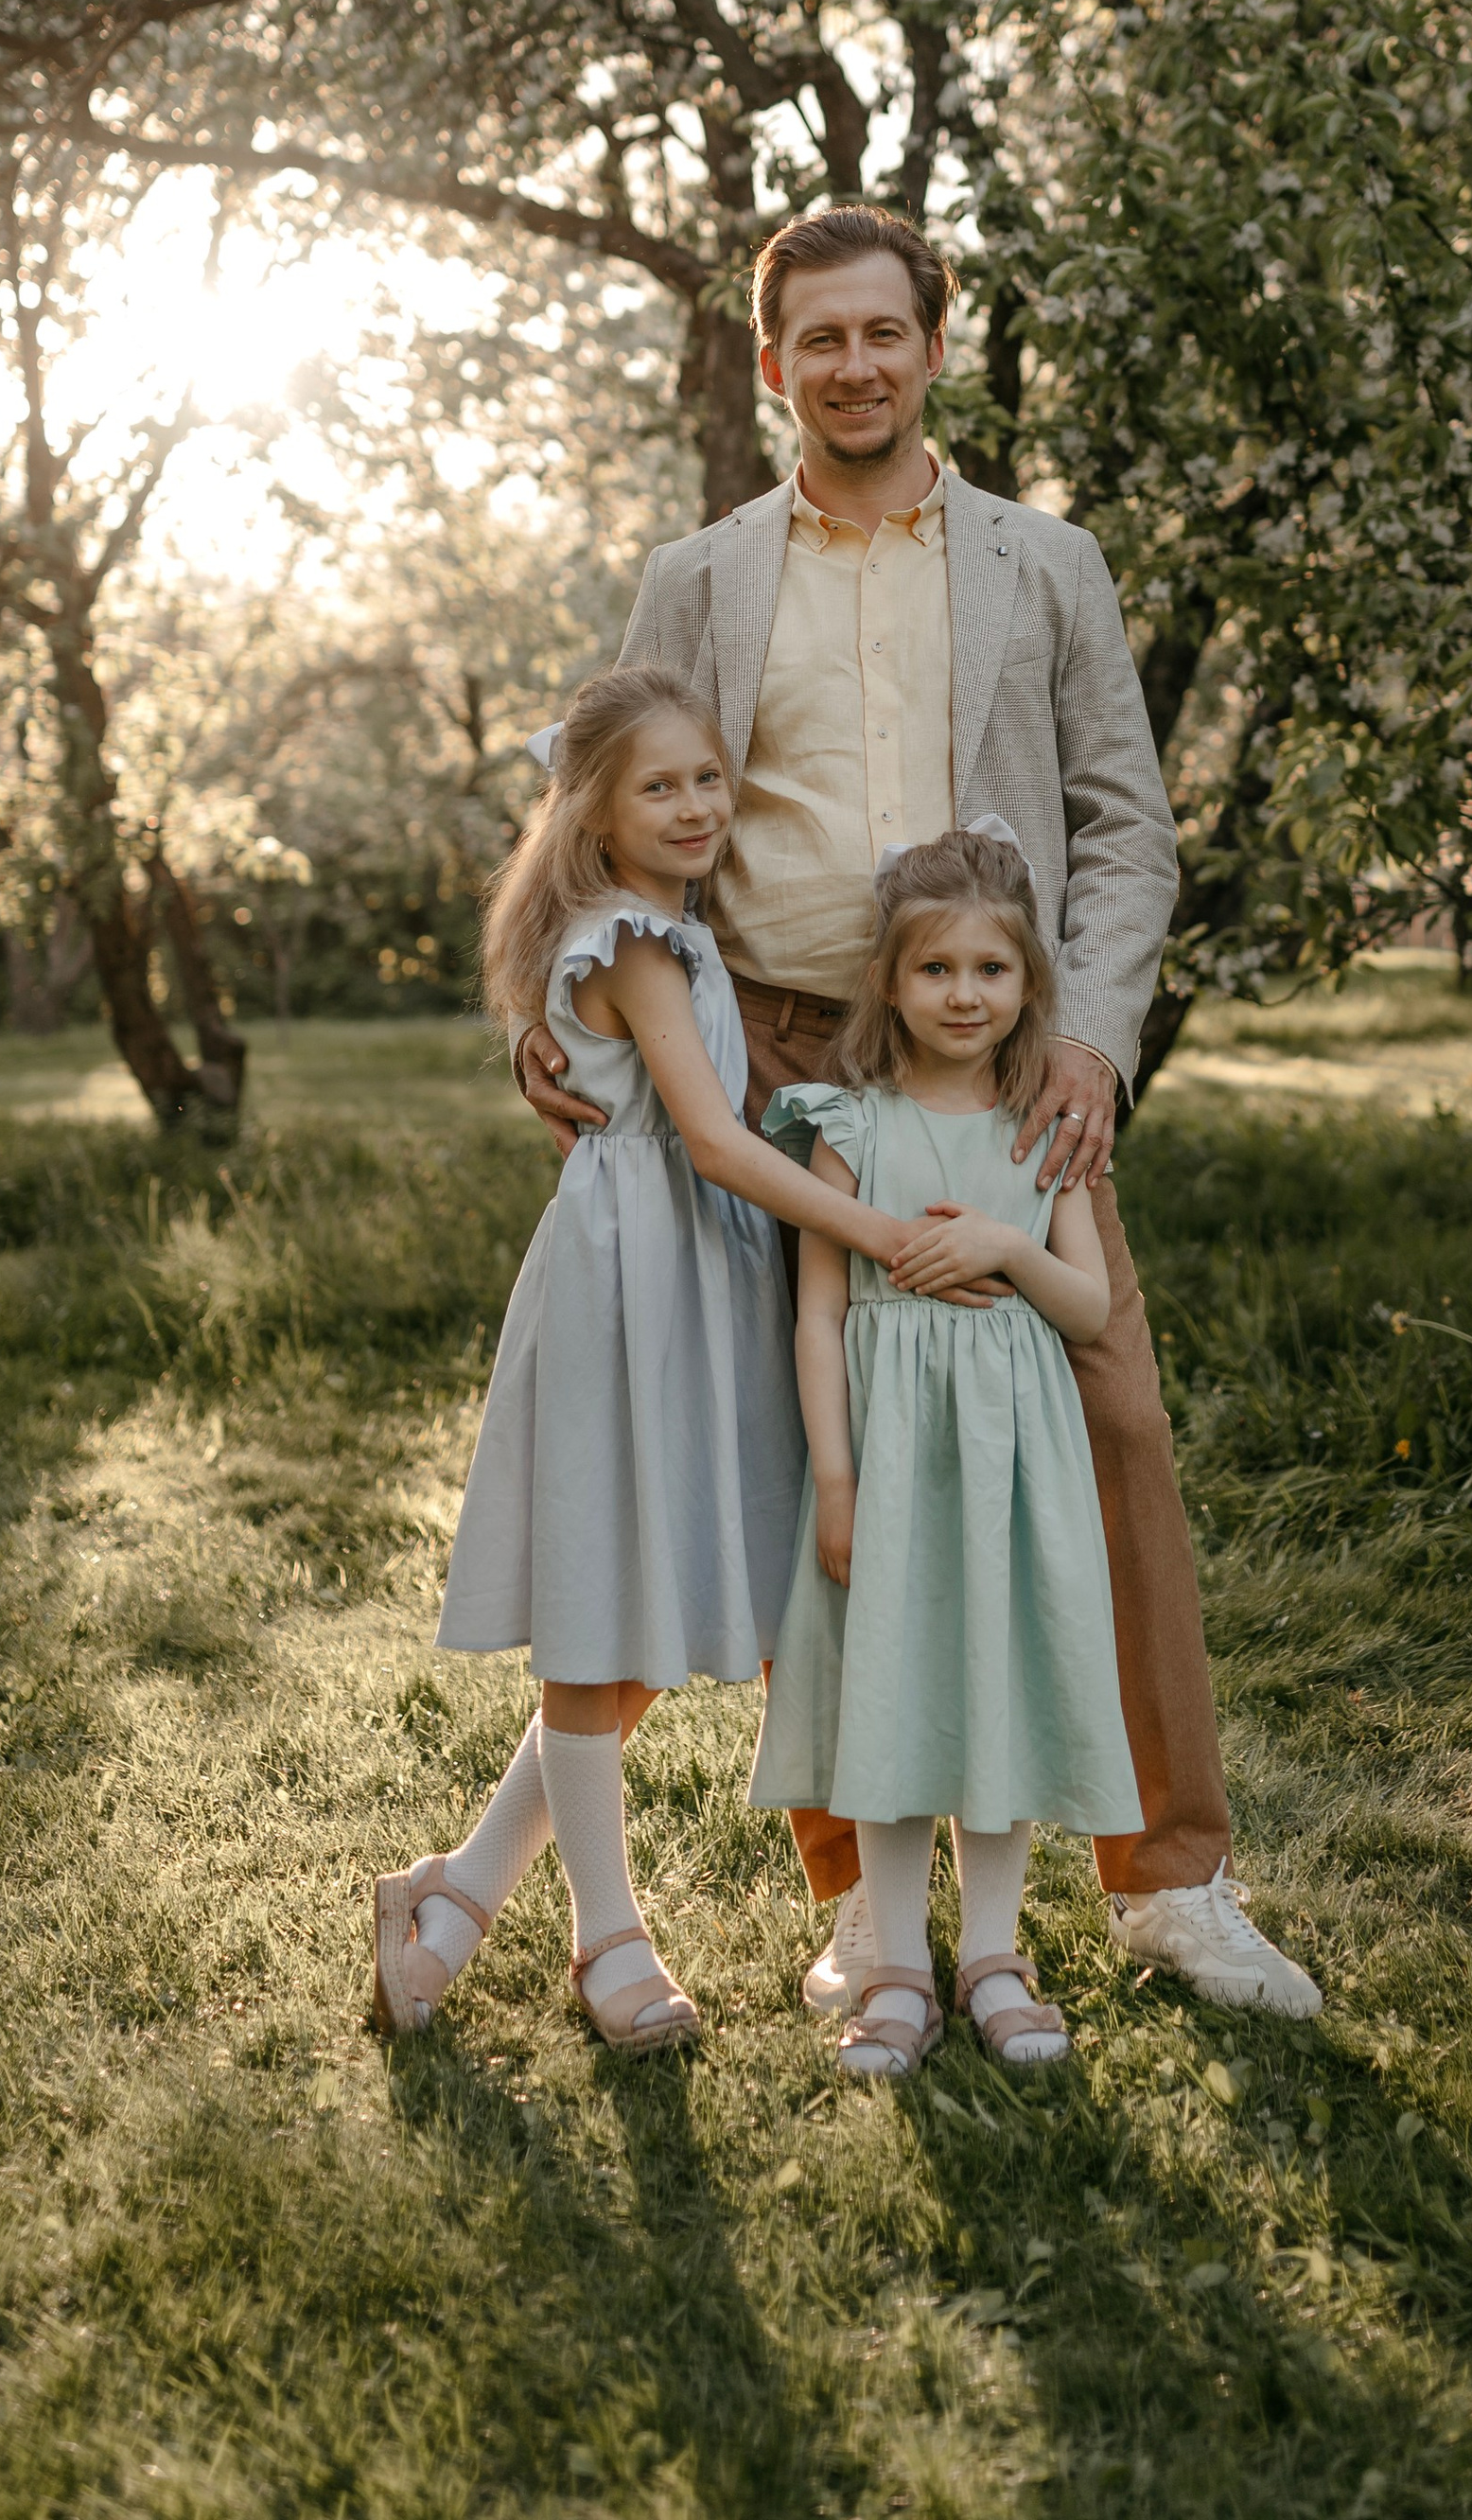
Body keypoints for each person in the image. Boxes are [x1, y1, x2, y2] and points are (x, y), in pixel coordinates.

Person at [516, 203, 1320, 2018]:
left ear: (934, 346)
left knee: (1106, 1423)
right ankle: (868, 1910)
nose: (855, 366)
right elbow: (597, 824)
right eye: (821, 340)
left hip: (1002, 1055)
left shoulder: (1045, 565)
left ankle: (1172, 1879)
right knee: (829, 1458)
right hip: (769, 1057)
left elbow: (1126, 825)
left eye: (887, 333)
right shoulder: (699, 576)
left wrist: (1093, 1042)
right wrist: (555, 1008)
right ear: (770, 360)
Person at [370, 664, 933, 2051]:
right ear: (597, 813)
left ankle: (452, 1898)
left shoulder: (663, 925)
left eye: (707, 779)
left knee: (639, 1638)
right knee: (597, 1625)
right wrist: (871, 1229)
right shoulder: (636, 941)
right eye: (656, 786)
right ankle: (603, 1938)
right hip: (635, 1286)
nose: (693, 806)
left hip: (683, 1275)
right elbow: (719, 1139)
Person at [752, 827, 1138, 2076]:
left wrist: (1006, 1249)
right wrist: (840, 1481)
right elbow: (816, 1313)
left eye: (991, 969)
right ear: (889, 982)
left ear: (1029, 983)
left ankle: (994, 1954)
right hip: (892, 1457)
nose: (964, 995)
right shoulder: (846, 1124)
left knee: (998, 1688)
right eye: (936, 970)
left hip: (1013, 1466)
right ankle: (897, 1970)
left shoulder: (1043, 1127)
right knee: (901, 1690)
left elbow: (1089, 1308)